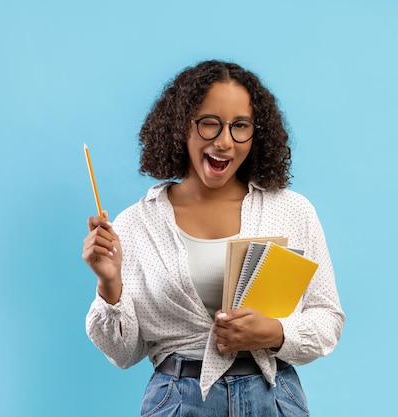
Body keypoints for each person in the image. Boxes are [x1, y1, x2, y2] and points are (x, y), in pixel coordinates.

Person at [82, 60, 345, 416]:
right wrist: (109, 283)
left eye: (240, 126)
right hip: (179, 401)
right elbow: (124, 353)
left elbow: (328, 319)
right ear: (181, 127)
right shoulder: (137, 224)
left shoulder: (292, 211)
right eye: (210, 124)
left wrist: (273, 332)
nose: (224, 141)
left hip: (273, 398)